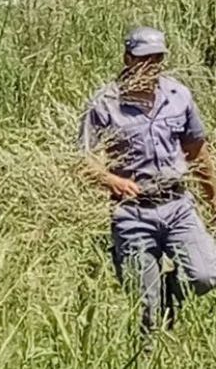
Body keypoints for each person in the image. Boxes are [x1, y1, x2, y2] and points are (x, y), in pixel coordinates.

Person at [78, 26, 216, 342]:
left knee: (206, 274)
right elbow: (83, 159)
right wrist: (111, 179)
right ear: (128, 59)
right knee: (147, 311)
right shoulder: (104, 103)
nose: (150, 65)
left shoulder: (177, 96)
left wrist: (214, 200)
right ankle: (150, 351)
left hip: (178, 206)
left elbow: (197, 151)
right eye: (143, 58)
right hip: (133, 214)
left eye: (157, 58)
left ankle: (170, 293)